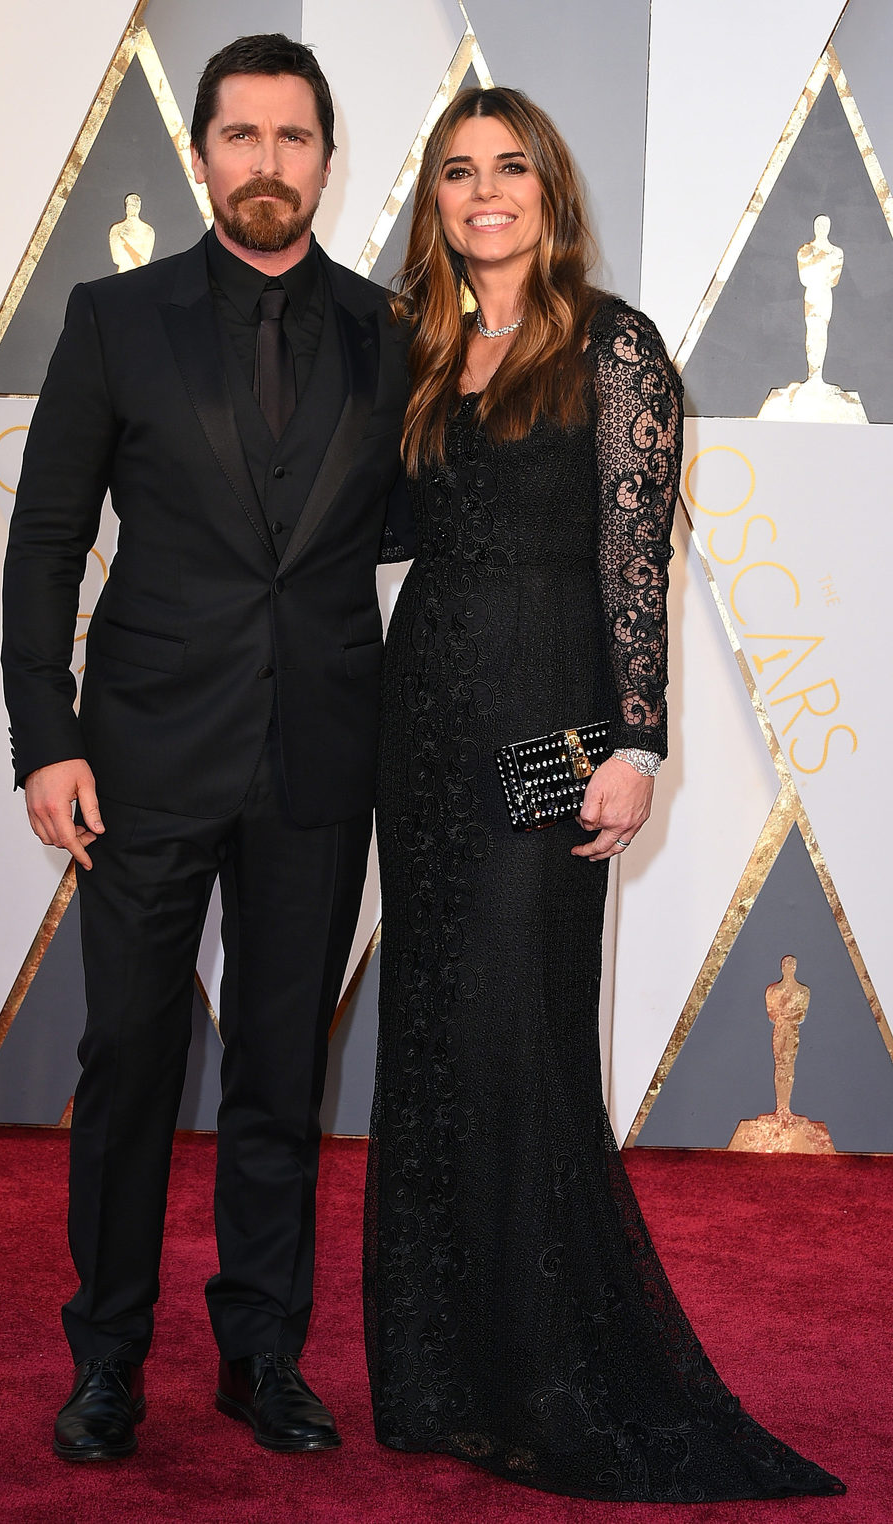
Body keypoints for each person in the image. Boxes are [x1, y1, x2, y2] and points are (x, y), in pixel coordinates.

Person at [363, 86, 844, 1502]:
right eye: (458, 172)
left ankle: (554, 1371)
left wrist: (639, 746)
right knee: (437, 1035)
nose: (485, 192)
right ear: (435, 200)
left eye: (510, 167)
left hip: (551, 726)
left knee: (520, 1030)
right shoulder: (424, 349)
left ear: (550, 190)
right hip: (427, 729)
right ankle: (447, 1373)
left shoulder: (612, 346)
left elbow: (638, 565)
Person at [2, 33, 410, 1462]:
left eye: (296, 139)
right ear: (200, 156)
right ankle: (107, 1359)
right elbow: (48, 539)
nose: (268, 163)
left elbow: (422, 537)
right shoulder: (114, 318)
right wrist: (43, 738)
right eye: (242, 137)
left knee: (281, 1071)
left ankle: (260, 1354)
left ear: (326, 157)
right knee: (128, 1057)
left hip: (319, 763)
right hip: (143, 757)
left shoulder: (393, 330)